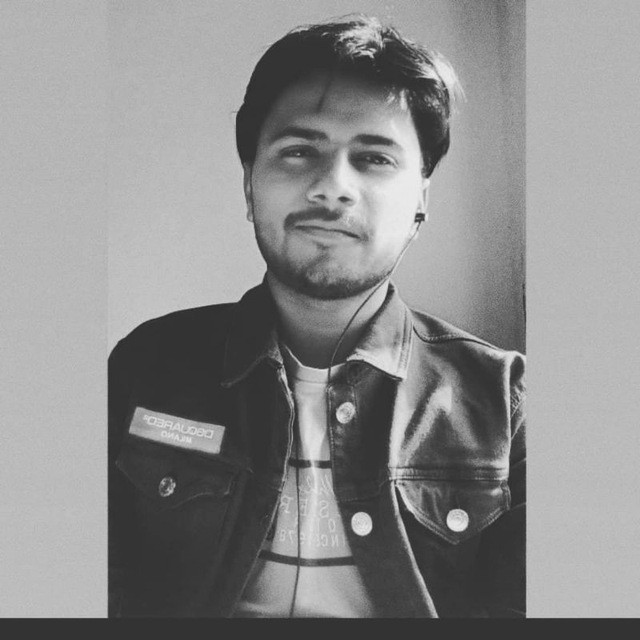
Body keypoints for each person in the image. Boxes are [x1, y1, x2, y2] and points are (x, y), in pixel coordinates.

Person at [108, 15, 525, 618]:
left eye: (374, 158)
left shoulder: (506, 399)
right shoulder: (146, 366)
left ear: (420, 199)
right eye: (299, 151)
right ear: (250, 184)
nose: (333, 187)